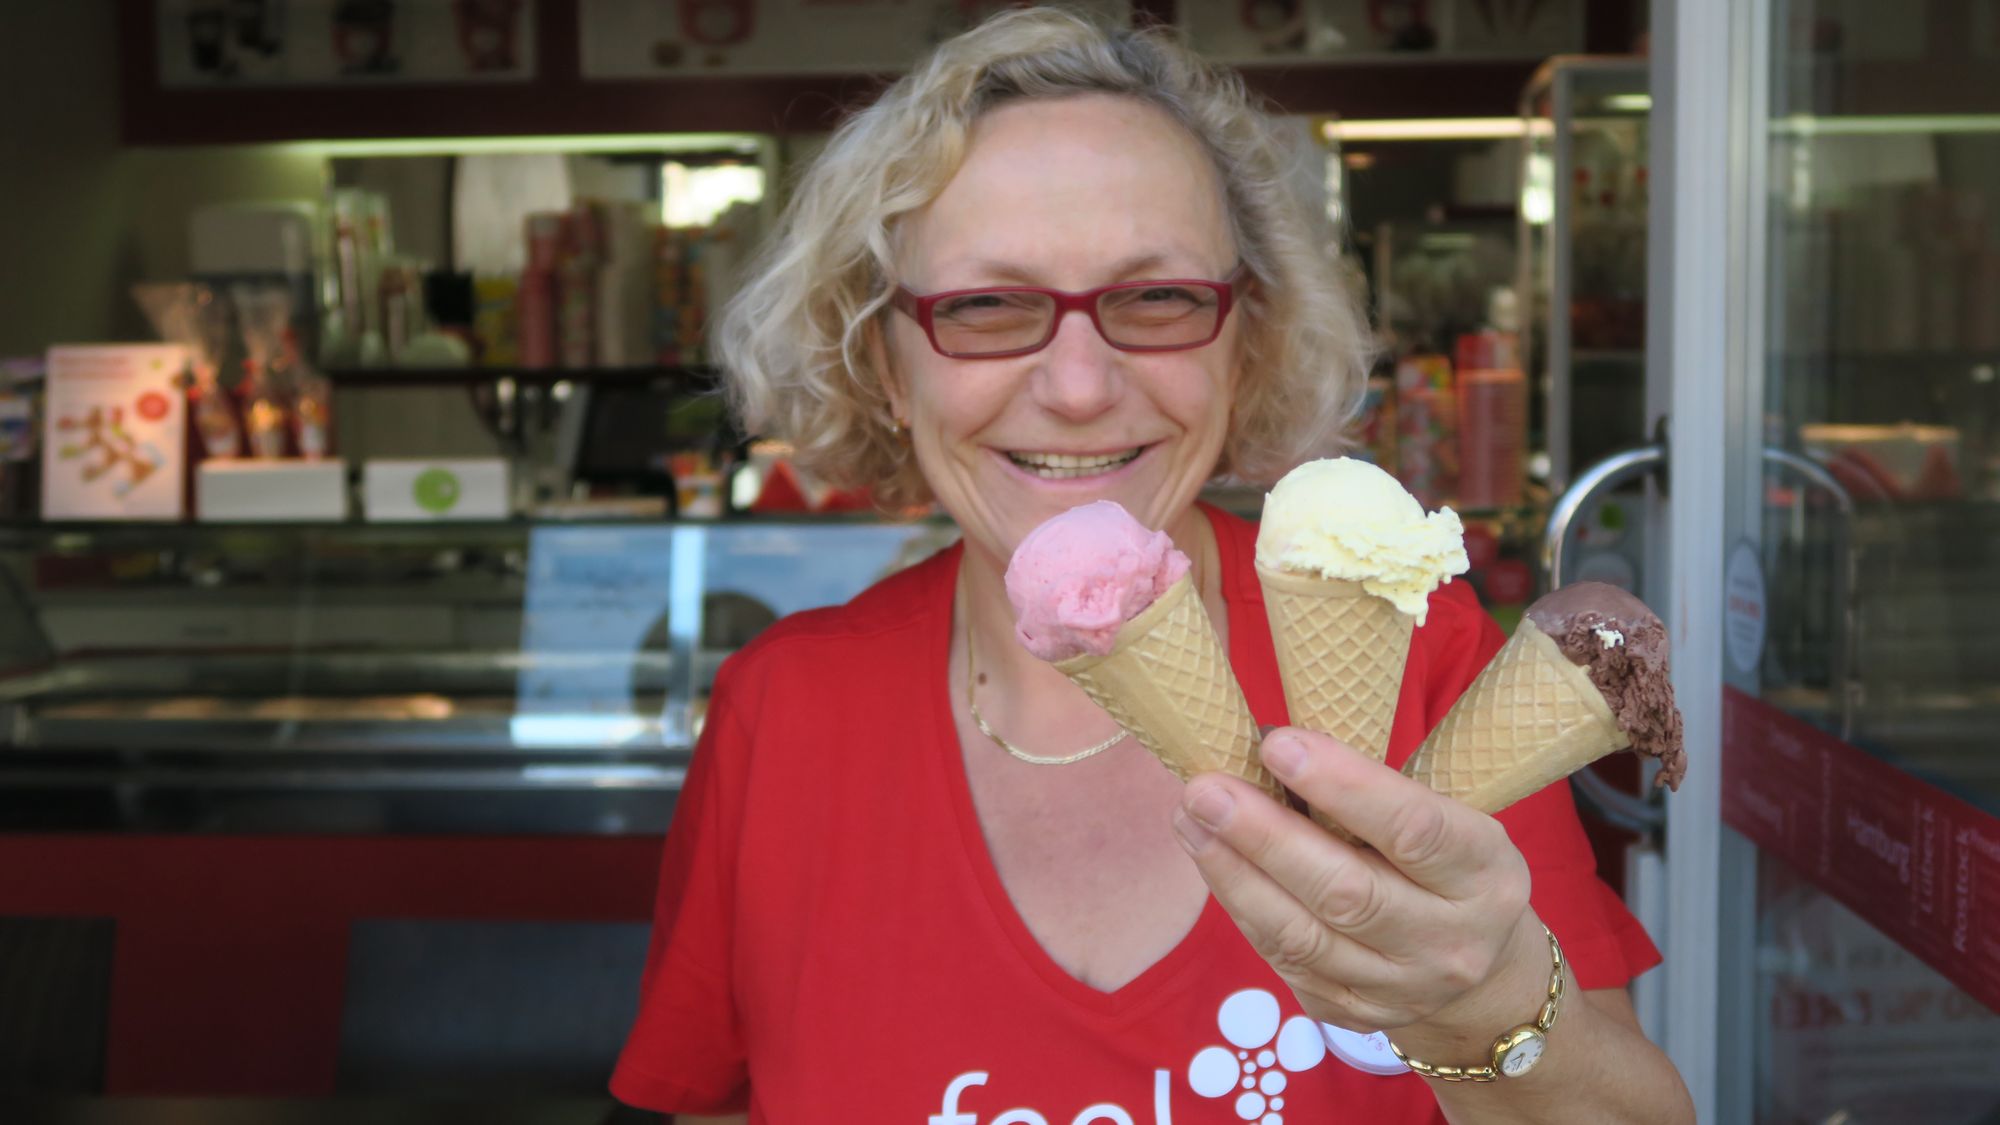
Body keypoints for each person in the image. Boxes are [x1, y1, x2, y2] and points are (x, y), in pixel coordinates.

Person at [612, 9, 1693, 1123]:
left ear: (1246, 340)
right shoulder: (781, 712)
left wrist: (1486, 1006)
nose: (1078, 387)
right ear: (886, 361)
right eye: (985, 306)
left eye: (1158, 299)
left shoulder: (1423, 654)